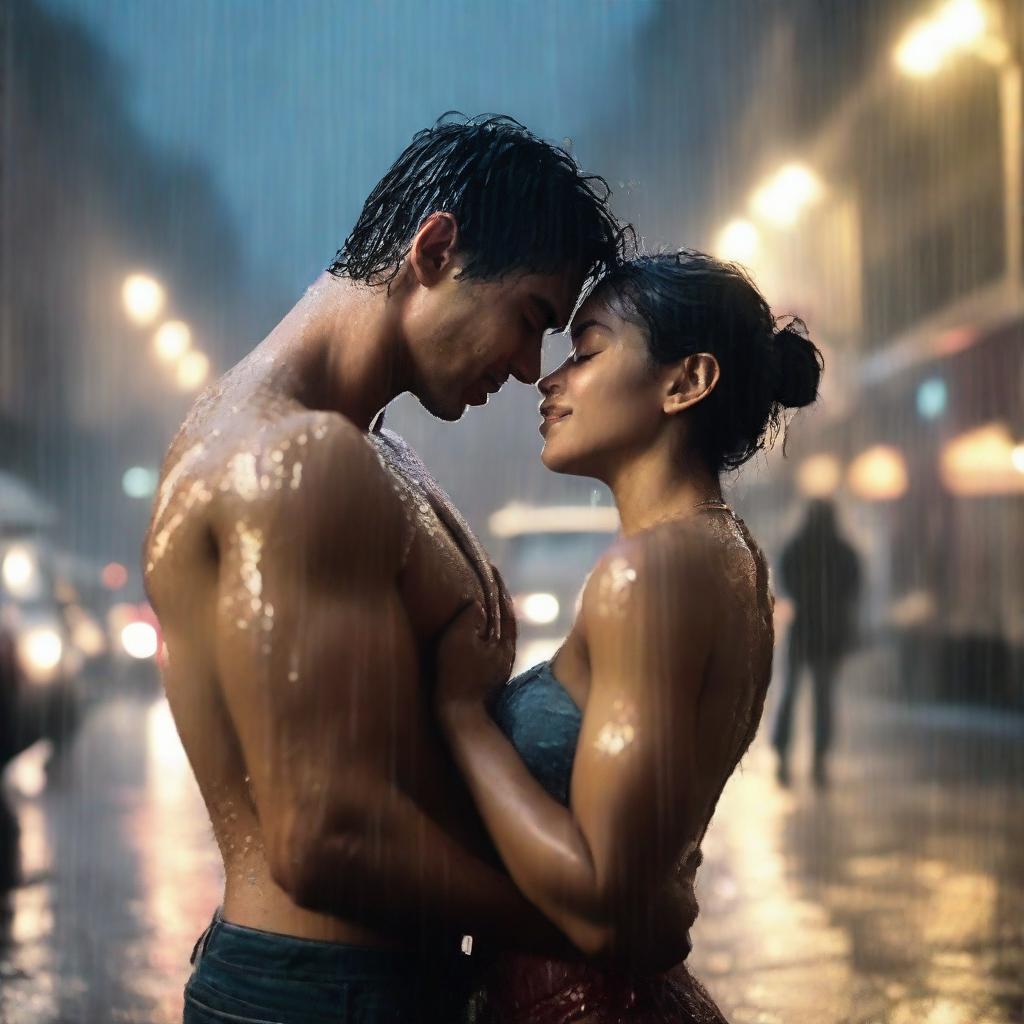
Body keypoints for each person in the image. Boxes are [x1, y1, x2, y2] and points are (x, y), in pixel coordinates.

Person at [144, 114, 642, 1024]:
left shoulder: (366, 446)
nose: (533, 367)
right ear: (436, 248)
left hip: (348, 986)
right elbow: (324, 836)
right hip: (323, 995)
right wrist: (575, 924)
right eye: (530, 317)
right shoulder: (299, 463)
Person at [433, 250, 824, 1023]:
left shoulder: (648, 575)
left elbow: (604, 904)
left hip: (580, 1003)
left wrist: (461, 719)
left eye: (585, 352)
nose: (550, 381)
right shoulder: (732, 556)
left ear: (685, 382)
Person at [771, 499, 862, 788]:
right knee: (822, 697)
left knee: (790, 693)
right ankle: (819, 758)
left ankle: (783, 753)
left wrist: (804, 599)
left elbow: (785, 578)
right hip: (828, 633)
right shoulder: (844, 552)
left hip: (804, 629)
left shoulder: (797, 548)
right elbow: (853, 588)